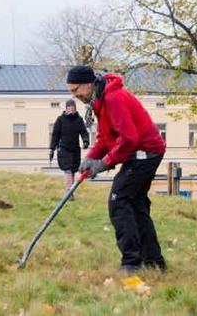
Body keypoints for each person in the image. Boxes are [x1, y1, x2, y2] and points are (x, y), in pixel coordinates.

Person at [67, 65, 167, 274]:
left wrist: (103, 164)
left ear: (88, 83)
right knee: (136, 205)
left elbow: (129, 139)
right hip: (142, 152)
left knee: (119, 200)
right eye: (71, 91)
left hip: (145, 153)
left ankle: (131, 262)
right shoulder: (99, 100)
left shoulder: (113, 99)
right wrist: (90, 158)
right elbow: (106, 137)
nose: (75, 95)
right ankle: (154, 262)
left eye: (76, 89)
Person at [50, 99, 90, 192]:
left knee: (72, 170)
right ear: (66, 108)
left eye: (73, 107)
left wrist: (85, 141)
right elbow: (55, 135)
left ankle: (70, 190)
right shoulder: (60, 120)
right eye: (69, 107)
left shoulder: (79, 120)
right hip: (64, 149)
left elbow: (84, 132)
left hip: (75, 149)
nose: (71, 109)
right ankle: (69, 191)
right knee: (67, 169)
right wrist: (52, 149)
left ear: (75, 108)